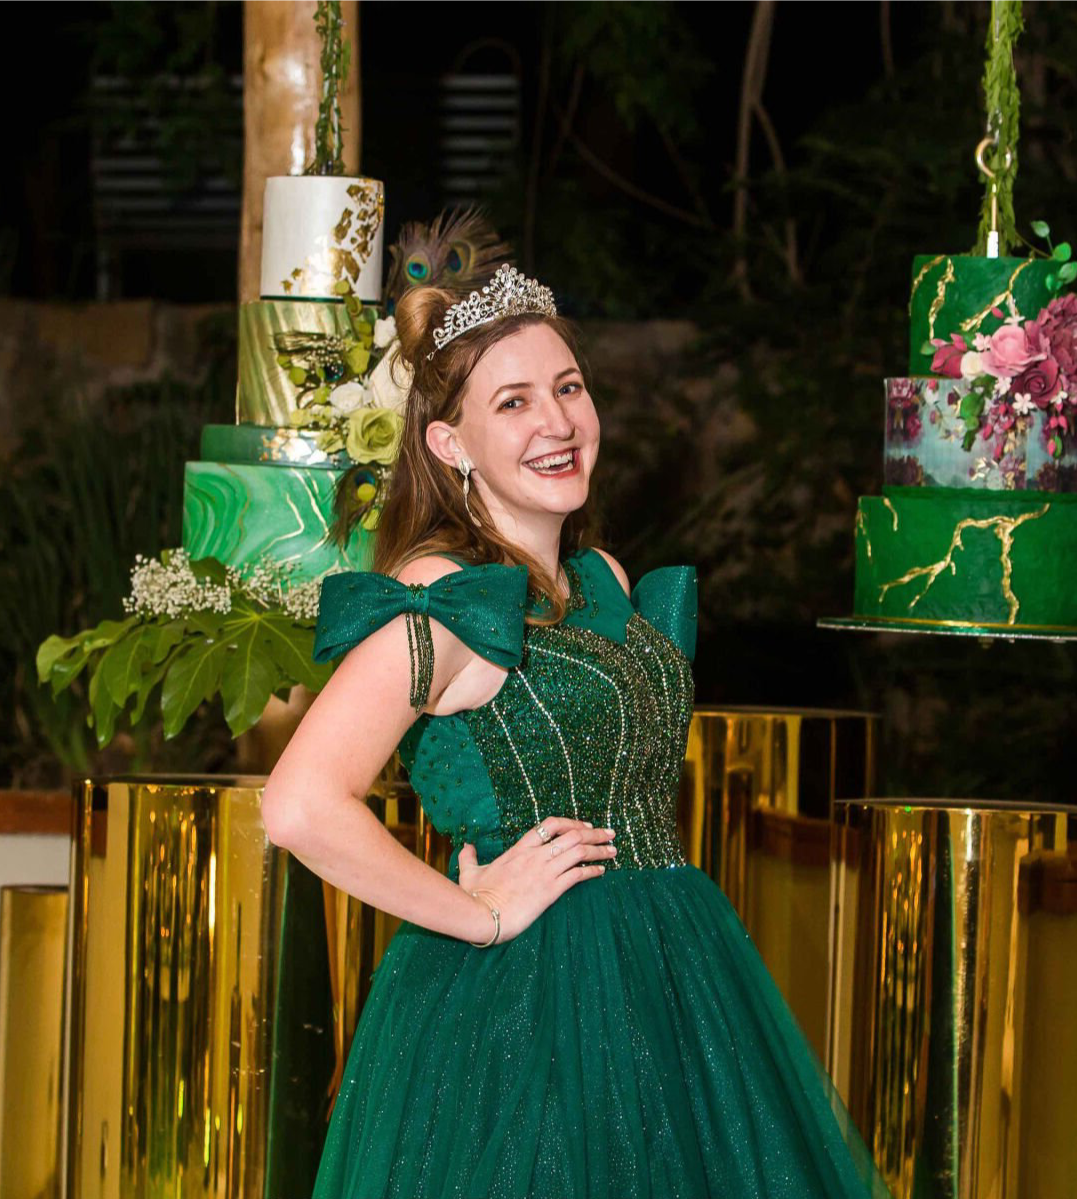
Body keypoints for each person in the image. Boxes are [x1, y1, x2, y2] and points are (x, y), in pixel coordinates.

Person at [262, 265, 884, 1199]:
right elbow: (299, 804)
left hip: (676, 982)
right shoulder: (447, 602)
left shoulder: (603, 580)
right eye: (512, 401)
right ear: (449, 442)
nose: (557, 422)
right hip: (529, 1009)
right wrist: (478, 911)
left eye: (569, 387)